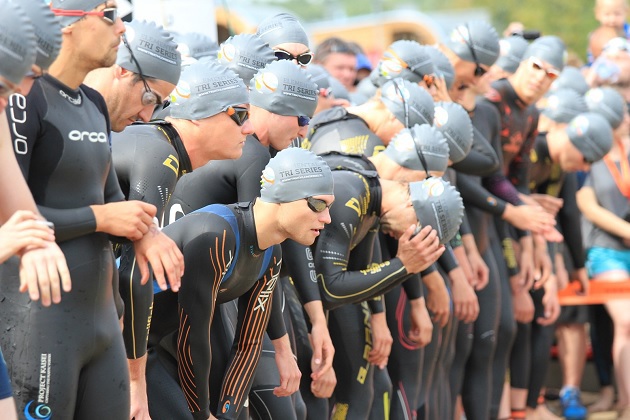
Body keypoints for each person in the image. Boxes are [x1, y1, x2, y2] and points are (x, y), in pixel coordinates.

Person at [0, 1, 182, 417]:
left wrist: (145, 233)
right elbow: (13, 220)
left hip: (100, 322)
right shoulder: (24, 99)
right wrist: (98, 219)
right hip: (38, 320)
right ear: (65, 22)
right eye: (109, 14)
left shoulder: (93, 104)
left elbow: (112, 200)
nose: (122, 28)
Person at [165, 59, 321, 420]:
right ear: (277, 109)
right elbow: (266, 242)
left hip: (210, 286)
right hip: (202, 292)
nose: (303, 131)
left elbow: (268, 253)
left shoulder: (246, 151)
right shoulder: (251, 154)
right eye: (302, 119)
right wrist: (283, 347)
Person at [147, 148, 334, 420]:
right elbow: (192, 338)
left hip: (154, 346)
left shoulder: (271, 253)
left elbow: (249, 344)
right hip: (123, 342)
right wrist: (202, 415)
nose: (326, 218)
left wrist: (226, 413)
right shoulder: (216, 234)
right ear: (282, 196)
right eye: (318, 204)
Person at [111, 58, 252, 418]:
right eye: (238, 114)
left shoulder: (158, 147)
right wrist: (136, 381)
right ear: (198, 115)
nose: (249, 128)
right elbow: (133, 272)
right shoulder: (160, 155)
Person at [576, 106, 630, 419]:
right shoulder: (589, 155)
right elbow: (587, 205)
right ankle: (625, 400)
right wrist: (625, 230)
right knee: (624, 321)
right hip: (604, 251)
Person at [84, 19, 182, 132]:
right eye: (149, 99)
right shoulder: (60, 114)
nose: (146, 118)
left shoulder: (97, 130)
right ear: (124, 71)